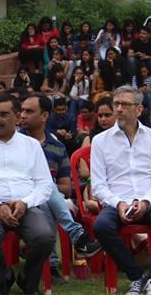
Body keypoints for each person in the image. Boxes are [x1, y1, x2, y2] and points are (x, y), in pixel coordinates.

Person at [0, 95, 56, 295]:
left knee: (44, 236)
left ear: (17, 117)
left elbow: (44, 185)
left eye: (4, 114)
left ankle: (27, 280)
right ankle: (3, 278)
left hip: (26, 206)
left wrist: (25, 202)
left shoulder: (31, 146)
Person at [90, 86, 151, 295]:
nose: (118, 109)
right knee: (100, 226)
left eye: (124, 105)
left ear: (138, 109)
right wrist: (118, 204)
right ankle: (136, 276)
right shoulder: (100, 141)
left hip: (148, 201)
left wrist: (145, 201)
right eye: (116, 104)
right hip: (117, 203)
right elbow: (98, 185)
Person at [21, 94, 101, 278]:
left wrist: (44, 187)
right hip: (20, 196)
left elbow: (66, 187)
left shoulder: (57, 146)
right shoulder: (15, 142)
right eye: (22, 111)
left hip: (49, 198)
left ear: (44, 116)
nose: (23, 115)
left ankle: (52, 265)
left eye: (29, 111)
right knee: (46, 188)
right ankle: (77, 238)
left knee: (46, 196)